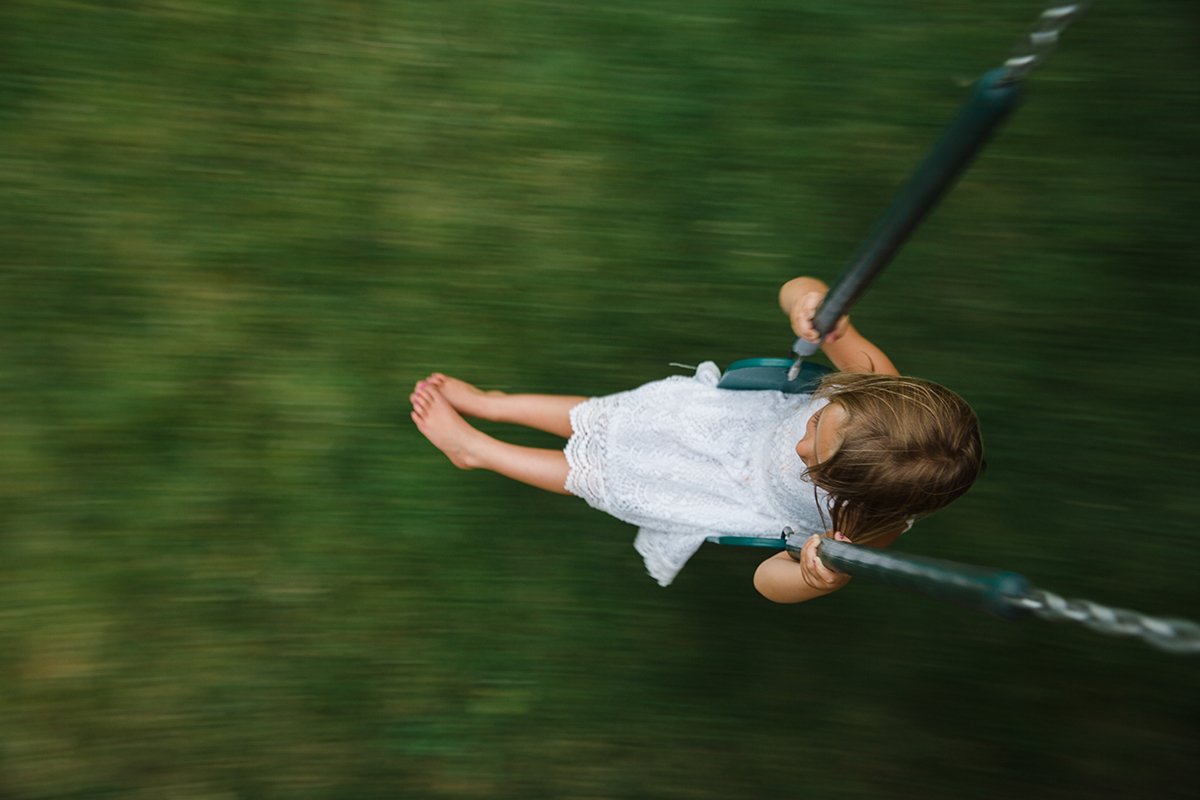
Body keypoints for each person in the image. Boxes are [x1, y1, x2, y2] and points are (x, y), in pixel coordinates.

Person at [410, 276, 984, 603]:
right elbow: (797, 289)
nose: (802, 448)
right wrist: (813, 309)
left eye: (820, 466)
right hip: (730, 422)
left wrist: (813, 578)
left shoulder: (868, 529)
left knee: (609, 478)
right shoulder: (874, 382)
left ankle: (478, 451)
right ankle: (494, 403)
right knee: (615, 418)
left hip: (723, 493)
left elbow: (769, 583)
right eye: (816, 425)